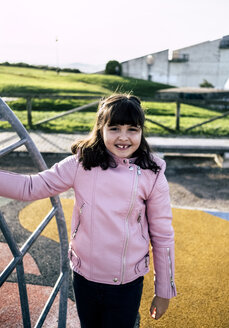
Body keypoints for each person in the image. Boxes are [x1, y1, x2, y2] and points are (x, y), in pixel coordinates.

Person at [0, 93, 177, 328]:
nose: (123, 137)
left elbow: (163, 235)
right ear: (101, 128)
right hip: (85, 278)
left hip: (126, 284)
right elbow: (31, 186)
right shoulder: (81, 164)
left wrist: (163, 289)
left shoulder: (151, 174)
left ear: (141, 132)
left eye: (132, 129)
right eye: (114, 128)